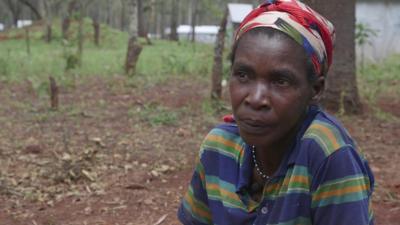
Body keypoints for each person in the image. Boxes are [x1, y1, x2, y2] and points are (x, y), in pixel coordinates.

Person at [177, 0, 375, 224]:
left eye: (280, 81)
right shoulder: (219, 148)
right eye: (243, 75)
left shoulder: (327, 154)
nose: (256, 99)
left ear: (315, 90)